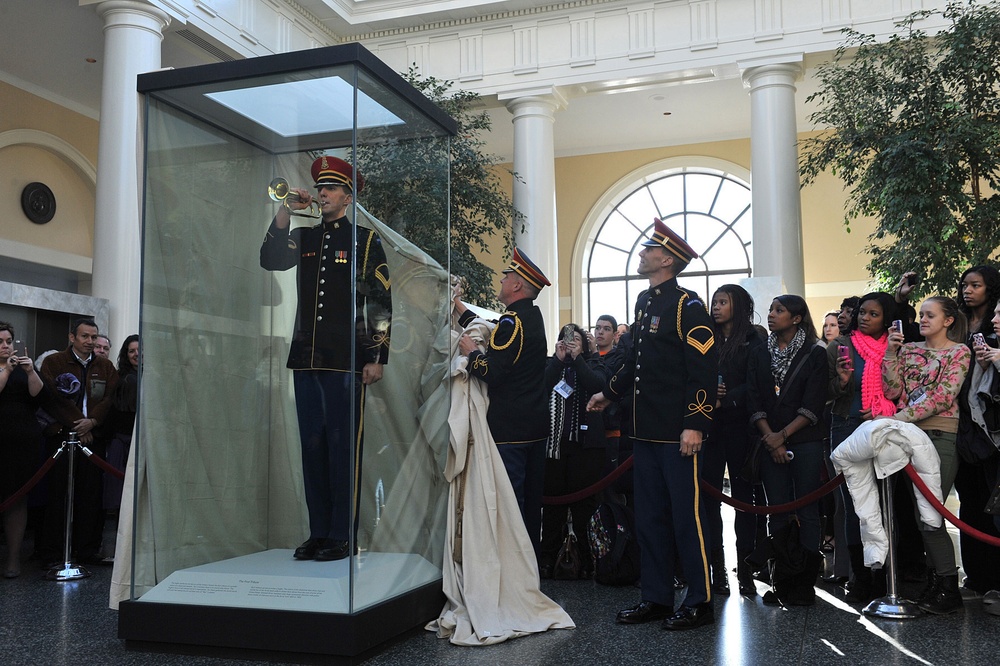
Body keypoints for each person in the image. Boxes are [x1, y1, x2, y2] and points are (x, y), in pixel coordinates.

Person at [260, 155, 391, 562]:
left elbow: (381, 302)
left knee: (342, 445)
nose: (322, 194)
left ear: (348, 197)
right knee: (312, 446)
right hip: (306, 359)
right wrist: (285, 210)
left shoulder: (366, 242)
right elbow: (270, 258)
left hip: (347, 359)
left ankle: (341, 534)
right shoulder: (305, 237)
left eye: (331, 189)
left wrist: (377, 354)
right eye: (320, 189)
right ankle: (319, 532)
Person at [588, 218, 717, 631]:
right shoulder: (645, 303)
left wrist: (695, 423)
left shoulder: (688, 306)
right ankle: (657, 597)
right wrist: (608, 392)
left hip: (677, 435)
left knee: (685, 519)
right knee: (650, 519)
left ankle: (699, 600)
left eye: (648, 250)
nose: (641, 254)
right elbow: (636, 365)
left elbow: (703, 370)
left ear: (666, 259)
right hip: (644, 433)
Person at [455, 248, 550, 554]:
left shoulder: (512, 323)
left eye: (508, 275)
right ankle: (530, 568)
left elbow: (493, 372)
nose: (503, 278)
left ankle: (514, 571)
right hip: (533, 425)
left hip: (510, 430)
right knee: (530, 505)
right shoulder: (529, 317)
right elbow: (493, 329)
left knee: (510, 504)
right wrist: (458, 307)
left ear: (517, 285)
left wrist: (471, 353)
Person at [883, 296, 970, 614]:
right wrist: (891, 352)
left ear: (948, 320)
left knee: (932, 517)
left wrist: (898, 419)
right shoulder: (909, 350)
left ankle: (949, 586)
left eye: (929, 315)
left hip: (941, 435)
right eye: (920, 314)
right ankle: (937, 581)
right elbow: (892, 391)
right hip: (910, 437)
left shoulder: (959, 351)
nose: (922, 319)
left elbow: (944, 395)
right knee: (923, 518)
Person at [747, 295, 828, 606]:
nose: (771, 315)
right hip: (768, 439)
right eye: (770, 309)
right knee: (777, 510)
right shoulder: (759, 352)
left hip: (805, 440)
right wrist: (770, 437)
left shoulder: (815, 353)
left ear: (796, 318)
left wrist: (783, 436)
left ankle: (805, 582)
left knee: (807, 511)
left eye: (779, 311)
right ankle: (781, 579)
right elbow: (755, 399)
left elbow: (814, 403)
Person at [827, 291, 896, 602]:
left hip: (884, 430)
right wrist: (841, 382)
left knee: (885, 505)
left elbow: (899, 392)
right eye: (862, 313)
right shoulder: (839, 345)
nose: (865, 318)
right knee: (855, 506)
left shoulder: (896, 347)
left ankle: (885, 575)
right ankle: (861, 577)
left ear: (886, 319)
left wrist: (882, 408)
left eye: (873, 314)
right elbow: (823, 394)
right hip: (846, 426)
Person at [37, 318, 119, 565]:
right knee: (58, 495)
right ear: (72, 338)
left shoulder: (105, 367)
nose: (90, 342)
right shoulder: (54, 363)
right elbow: (51, 398)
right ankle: (52, 553)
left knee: (90, 496)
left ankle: (86, 551)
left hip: (92, 440)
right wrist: (77, 424)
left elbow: (110, 398)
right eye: (85, 336)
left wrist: (92, 422)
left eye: (94, 337)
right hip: (63, 438)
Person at [703, 284, 766, 597]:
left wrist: (727, 399)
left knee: (744, 501)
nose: (716, 307)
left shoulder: (754, 339)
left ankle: (746, 570)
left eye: (723, 302)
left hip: (742, 429)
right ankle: (716, 571)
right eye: (714, 302)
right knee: (710, 501)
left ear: (737, 306)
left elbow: (757, 383)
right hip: (711, 430)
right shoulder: (705, 337)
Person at [539, 323, 607, 579]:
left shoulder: (593, 363)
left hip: (585, 447)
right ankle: (547, 559)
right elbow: (542, 387)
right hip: (554, 448)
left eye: (576, 339)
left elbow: (597, 385)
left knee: (584, 507)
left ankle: (589, 561)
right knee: (553, 508)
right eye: (566, 339)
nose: (570, 343)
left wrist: (579, 358)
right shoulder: (551, 365)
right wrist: (558, 360)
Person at [955, 266, 1000, 596]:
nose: (968, 290)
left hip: (988, 427)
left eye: (976, 285)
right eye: (965, 285)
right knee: (968, 502)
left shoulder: (995, 328)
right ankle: (975, 577)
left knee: (991, 504)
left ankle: (994, 581)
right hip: (959, 423)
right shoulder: (956, 322)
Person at [0, 324, 44, 577]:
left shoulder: (21, 367)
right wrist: (6, 369)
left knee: (17, 499)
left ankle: (13, 559)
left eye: (9, 340)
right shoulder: (6, 368)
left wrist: (30, 371)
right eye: (1, 341)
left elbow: (38, 395)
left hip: (21, 443)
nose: (6, 345)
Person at [104, 335, 139, 519]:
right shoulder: (126, 380)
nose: (136, 354)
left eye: (140, 350)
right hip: (126, 442)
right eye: (132, 351)